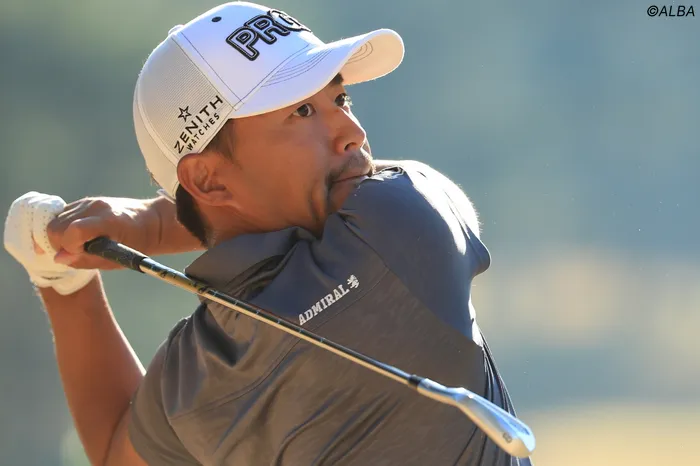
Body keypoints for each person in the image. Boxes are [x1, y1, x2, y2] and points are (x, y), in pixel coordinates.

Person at [3, 2, 532, 465]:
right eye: (302, 111)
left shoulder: (195, 378)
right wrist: (147, 226)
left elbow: (114, 451)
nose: (352, 132)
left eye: (340, 100)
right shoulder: (406, 219)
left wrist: (62, 283)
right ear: (208, 179)